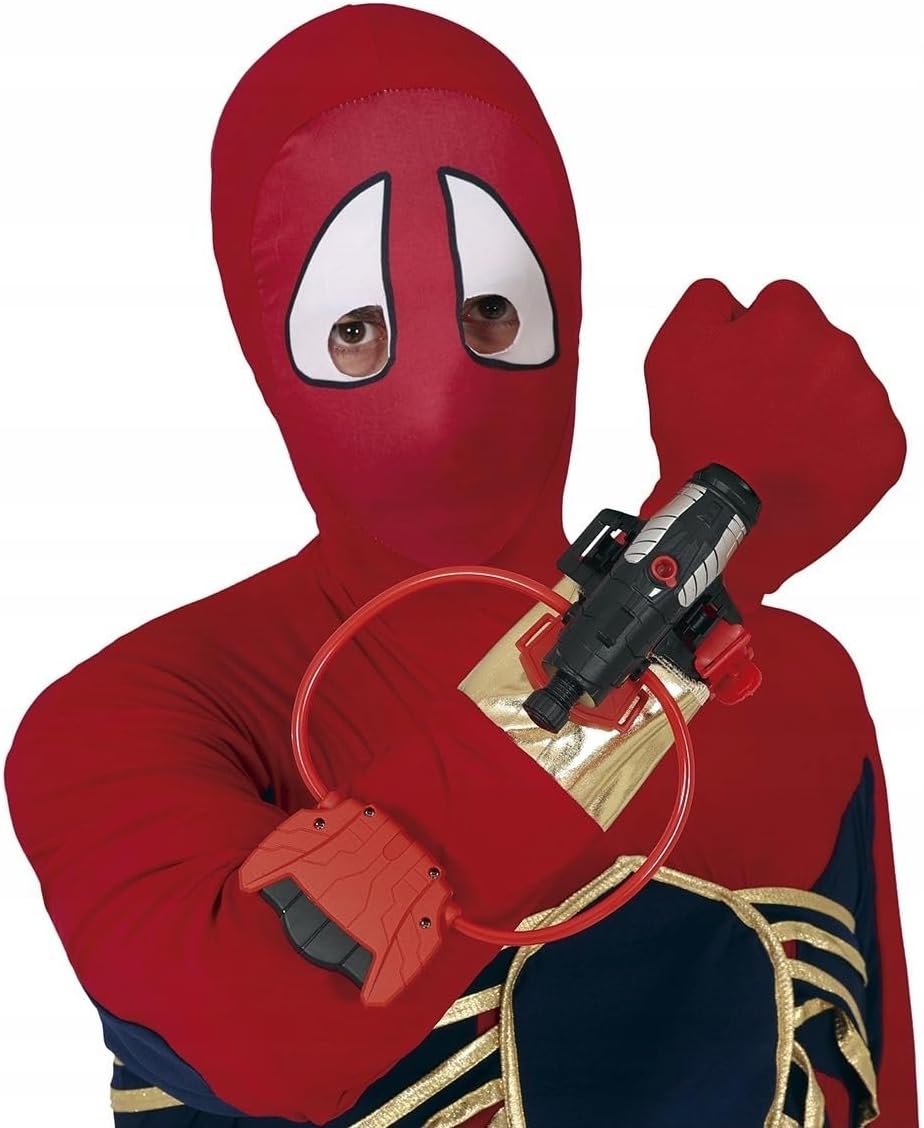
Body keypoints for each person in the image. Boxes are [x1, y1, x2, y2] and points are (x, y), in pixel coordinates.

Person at [4, 5, 916, 1126]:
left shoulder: (798, 692)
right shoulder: (129, 718)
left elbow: (877, 1076)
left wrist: (683, 588)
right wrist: (679, 593)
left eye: (490, 309)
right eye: (356, 329)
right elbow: (258, 1027)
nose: (440, 393)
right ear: (259, 336)